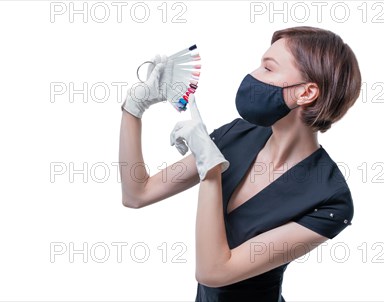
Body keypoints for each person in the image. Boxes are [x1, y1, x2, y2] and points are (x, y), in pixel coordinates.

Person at [118, 26, 361, 301]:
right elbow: (137, 194)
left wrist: (210, 169)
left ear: (306, 93)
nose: (253, 77)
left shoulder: (330, 200)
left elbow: (214, 271)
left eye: (268, 69)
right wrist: (134, 108)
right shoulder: (237, 135)